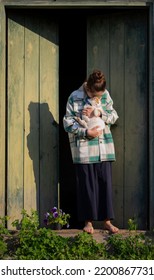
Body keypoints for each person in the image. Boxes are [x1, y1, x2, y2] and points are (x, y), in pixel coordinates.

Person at [63, 69, 119, 234]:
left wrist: (100, 112)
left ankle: (107, 221)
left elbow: (114, 116)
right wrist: (86, 132)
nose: (98, 98)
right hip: (85, 150)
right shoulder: (75, 97)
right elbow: (67, 123)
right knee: (87, 186)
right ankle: (88, 223)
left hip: (104, 148)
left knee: (105, 184)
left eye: (100, 96)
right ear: (87, 89)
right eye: (96, 95)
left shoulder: (105, 95)